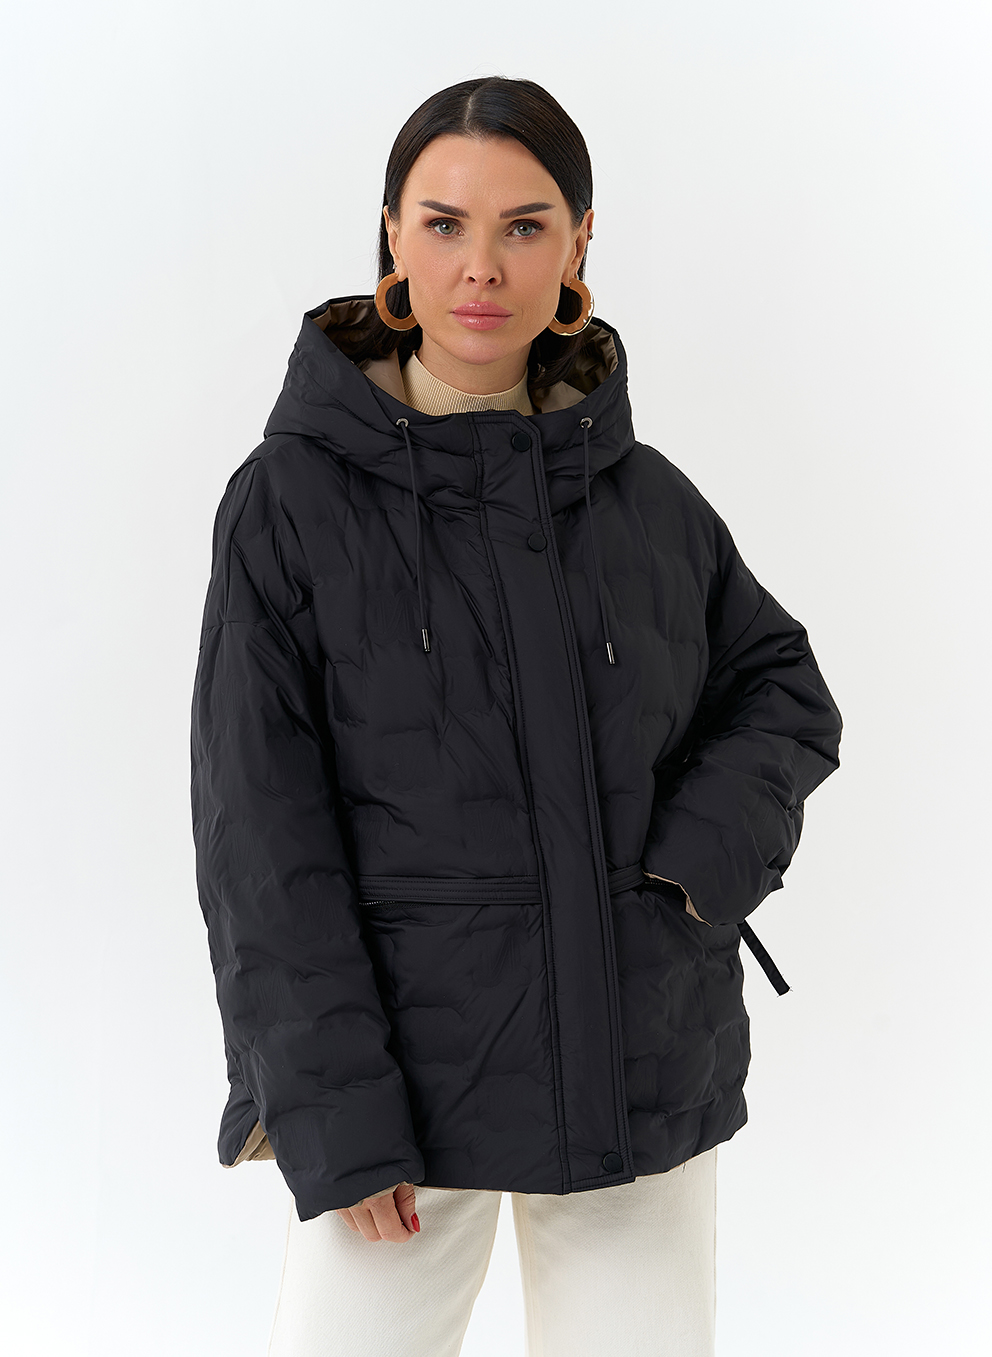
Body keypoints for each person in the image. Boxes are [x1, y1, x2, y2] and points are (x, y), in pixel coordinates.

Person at [190, 76, 843, 1357]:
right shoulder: (289, 504)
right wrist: (332, 1110)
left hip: (636, 1068)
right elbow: (260, 836)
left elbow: (781, 690)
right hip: (397, 1090)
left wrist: (687, 879)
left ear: (578, 244)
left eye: (524, 226)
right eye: (443, 224)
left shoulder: (647, 500)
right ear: (392, 235)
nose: (479, 267)